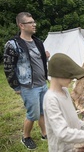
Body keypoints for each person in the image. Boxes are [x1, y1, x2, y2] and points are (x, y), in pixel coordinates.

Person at [43, 53, 84, 152]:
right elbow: (62, 133)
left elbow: (73, 119)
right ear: (59, 74)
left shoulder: (65, 91)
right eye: (69, 76)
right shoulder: (51, 99)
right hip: (61, 149)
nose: (72, 79)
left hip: (73, 147)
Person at [3, 12, 49, 150]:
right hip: (28, 86)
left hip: (42, 84)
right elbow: (8, 67)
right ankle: (26, 137)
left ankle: (44, 133)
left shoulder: (38, 42)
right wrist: (15, 86)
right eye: (30, 22)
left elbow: (35, 61)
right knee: (33, 114)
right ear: (21, 25)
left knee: (43, 111)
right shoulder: (13, 44)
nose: (34, 24)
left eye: (34, 21)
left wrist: (45, 57)